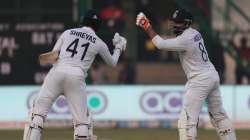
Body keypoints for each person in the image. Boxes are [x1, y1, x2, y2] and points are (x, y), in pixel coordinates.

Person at [23, 9, 127, 140]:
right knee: (82, 122)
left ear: (83, 21)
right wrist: (118, 47)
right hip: (77, 77)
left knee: (37, 114)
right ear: (97, 25)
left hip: (58, 71)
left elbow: (53, 55)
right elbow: (112, 63)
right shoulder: (99, 42)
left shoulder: (68, 33)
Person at [136, 9, 236, 140]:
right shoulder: (195, 33)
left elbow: (160, 44)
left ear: (187, 23)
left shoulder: (185, 39)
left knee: (187, 122)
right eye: (174, 22)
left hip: (200, 80)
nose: (175, 25)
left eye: (178, 23)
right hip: (211, 75)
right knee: (219, 116)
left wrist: (146, 25)